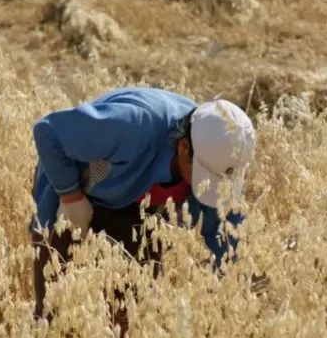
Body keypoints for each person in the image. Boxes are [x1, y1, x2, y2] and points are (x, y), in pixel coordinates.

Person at [30, 88, 255, 321]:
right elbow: (48, 131)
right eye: (205, 178)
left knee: (134, 315)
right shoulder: (132, 126)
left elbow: (227, 246)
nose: (210, 188)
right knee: (52, 310)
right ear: (184, 148)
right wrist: (70, 196)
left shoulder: (220, 154)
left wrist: (233, 293)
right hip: (76, 189)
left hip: (137, 209)